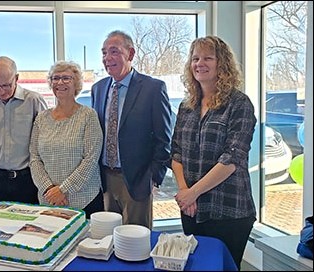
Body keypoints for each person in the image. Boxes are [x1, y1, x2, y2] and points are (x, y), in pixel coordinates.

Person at [171, 35, 257, 270]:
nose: (200, 63)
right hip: (191, 209)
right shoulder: (186, 106)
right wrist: (184, 192)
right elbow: (176, 152)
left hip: (228, 209)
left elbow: (232, 158)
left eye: (208, 58)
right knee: (195, 266)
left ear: (223, 64)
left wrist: (193, 193)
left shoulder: (239, 104)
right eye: (195, 58)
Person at [91, 30, 172, 229]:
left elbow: (164, 138)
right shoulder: (98, 88)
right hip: (105, 180)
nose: (107, 58)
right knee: (108, 239)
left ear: (131, 54)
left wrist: (153, 177)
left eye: (114, 52)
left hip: (137, 180)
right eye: (104, 53)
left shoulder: (153, 88)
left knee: (136, 242)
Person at [29, 61, 104, 219]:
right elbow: (34, 158)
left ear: (76, 83)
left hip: (84, 200)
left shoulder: (88, 116)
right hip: (49, 200)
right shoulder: (41, 118)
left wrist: (62, 190)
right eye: (55, 78)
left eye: (66, 78)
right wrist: (49, 189)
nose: (60, 82)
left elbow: (90, 159)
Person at [0, 56, 47, 204]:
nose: (1, 91)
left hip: (28, 179)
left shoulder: (34, 101)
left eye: (6, 85)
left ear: (16, 78)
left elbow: (44, 144)